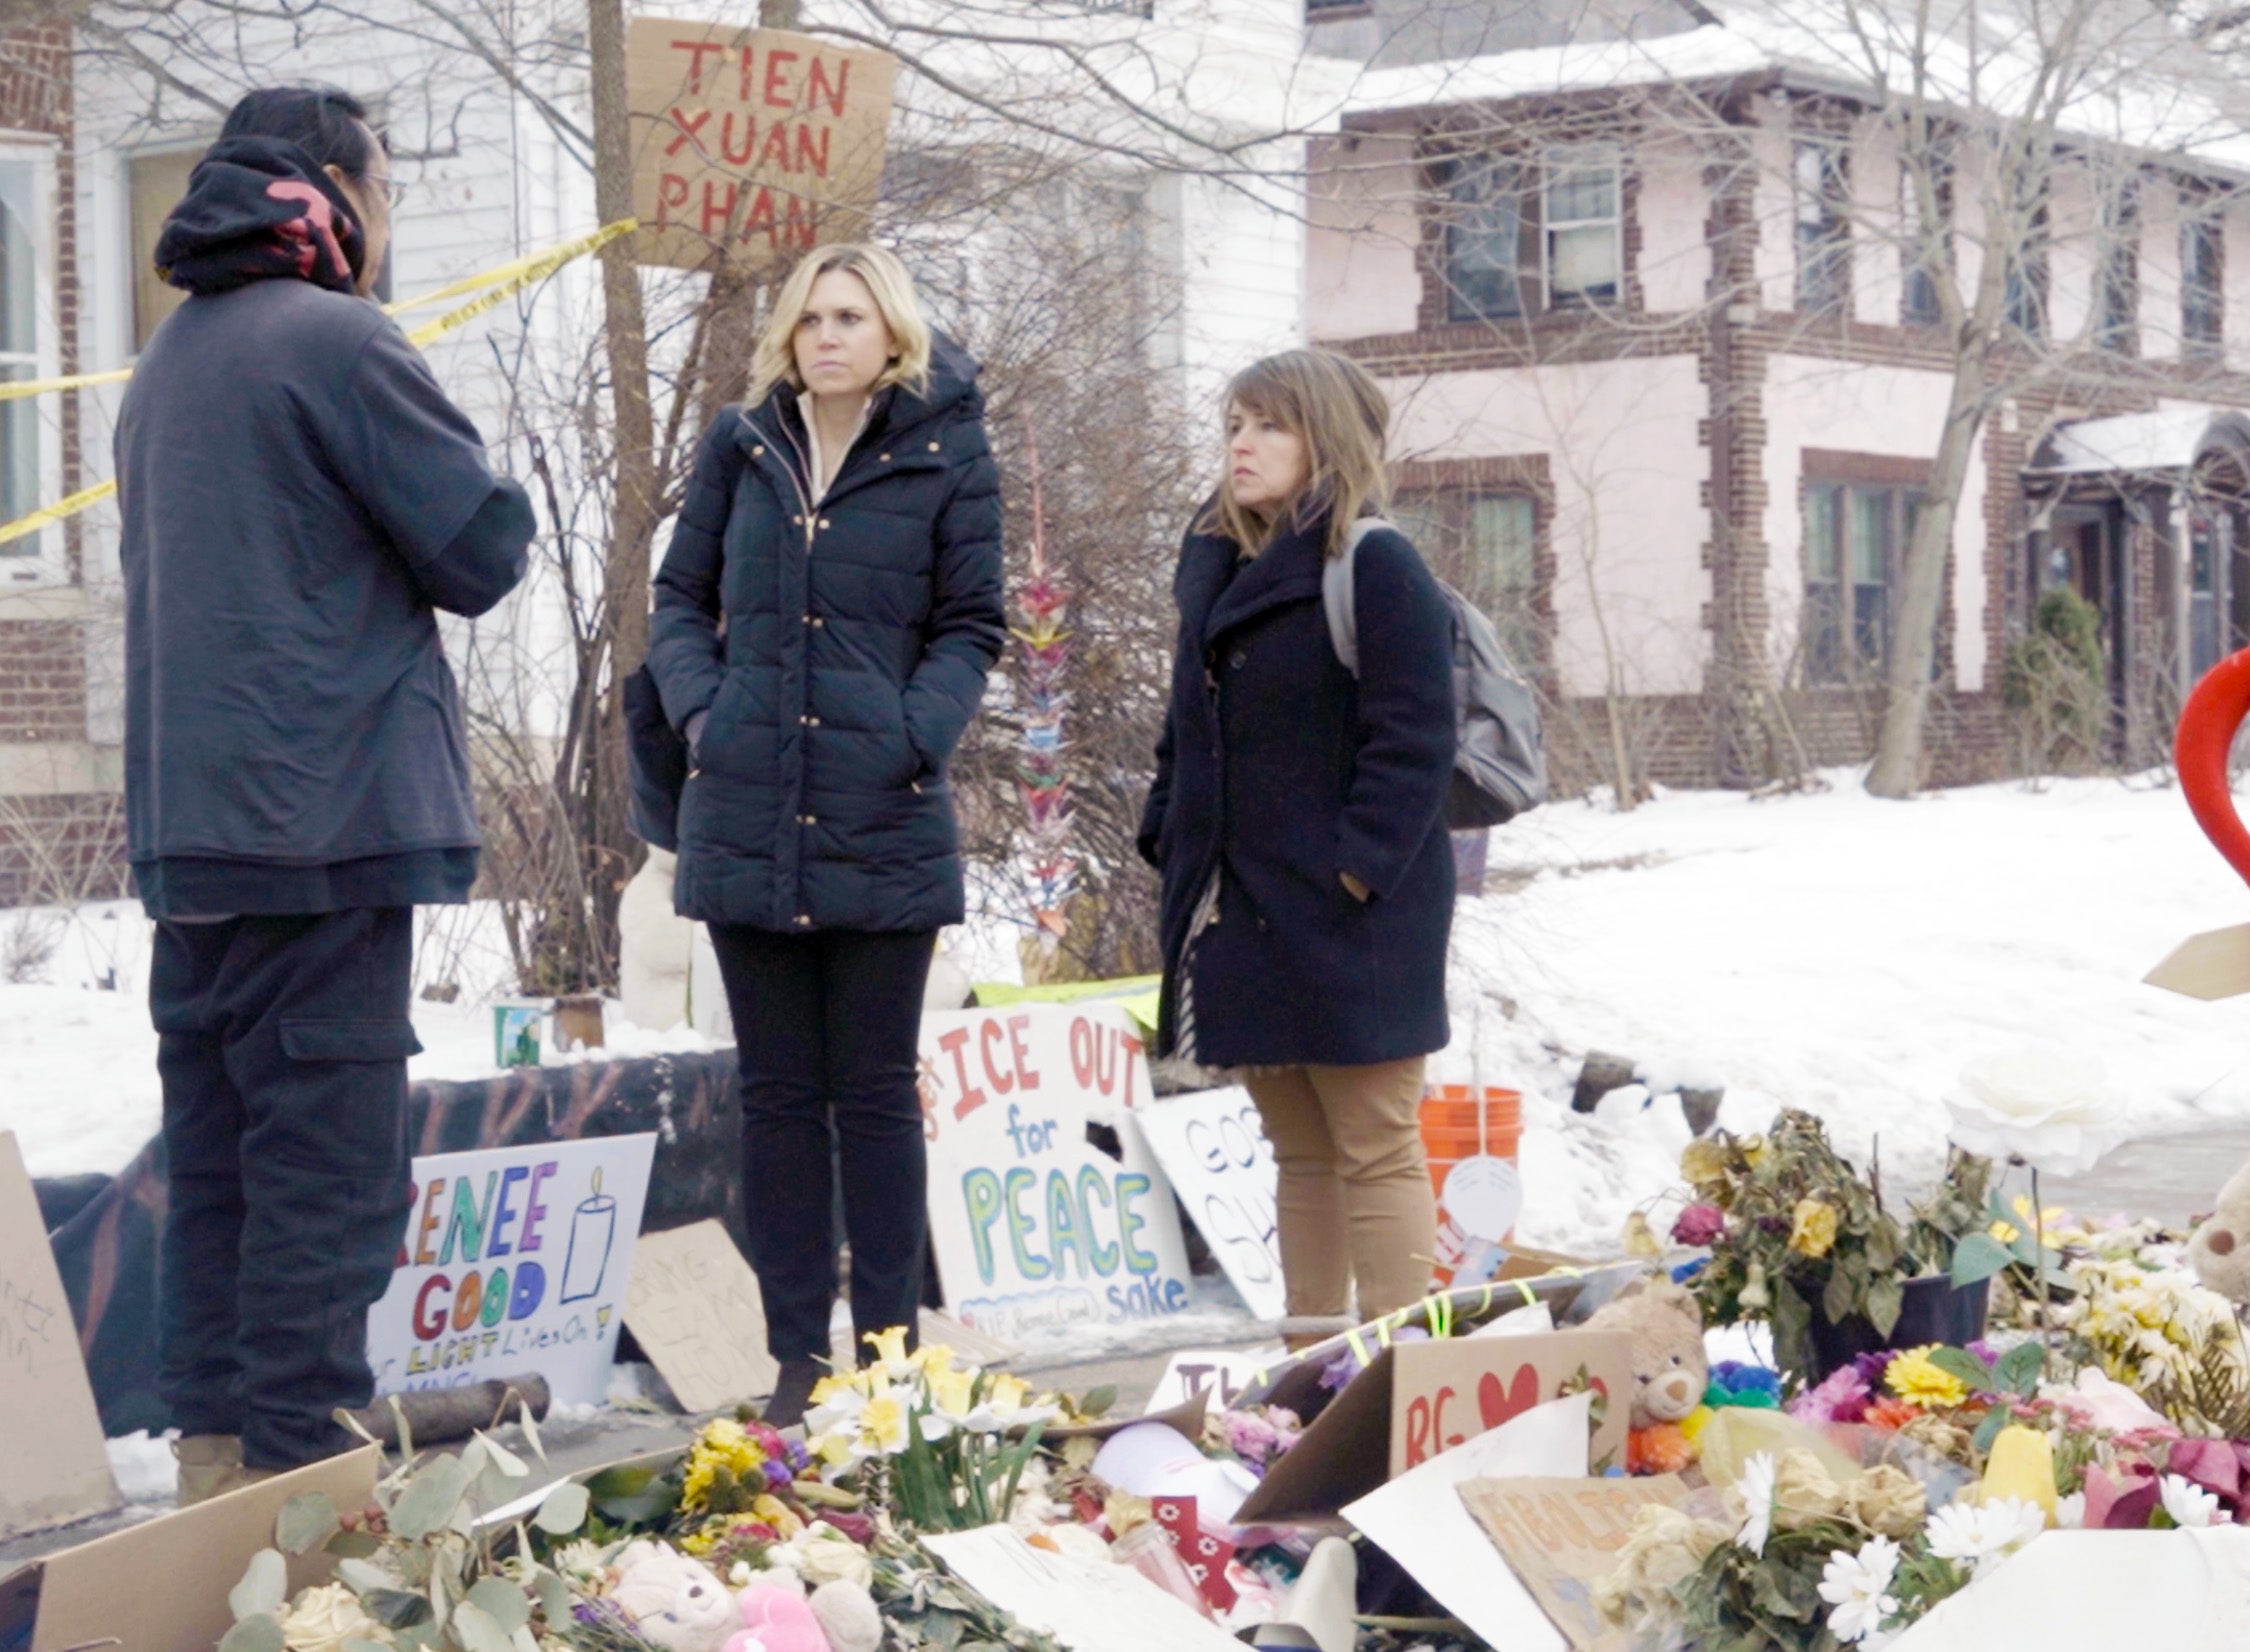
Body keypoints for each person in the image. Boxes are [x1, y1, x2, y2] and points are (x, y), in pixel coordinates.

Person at [117, 84, 534, 1501]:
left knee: (221, 1167)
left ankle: (215, 1470)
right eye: (391, 187)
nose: (394, 217)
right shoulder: (344, 341)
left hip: (193, 835)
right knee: (324, 1178)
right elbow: (479, 551)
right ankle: (301, 1494)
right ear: (339, 188)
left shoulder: (166, 358)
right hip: (329, 824)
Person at [647, 243, 1003, 1425]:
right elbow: (677, 600)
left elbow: (971, 622)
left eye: (849, 316)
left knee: (876, 1096)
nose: (826, 336)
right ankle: (798, 1358)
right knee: (778, 1099)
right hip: (749, 811)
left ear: (890, 330)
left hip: (882, 814)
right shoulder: (741, 445)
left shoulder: (947, 449)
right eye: (810, 318)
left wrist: (915, 732)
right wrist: (705, 713)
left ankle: (890, 1358)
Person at [1138, 348, 1456, 1339]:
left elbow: (1415, 736)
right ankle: (1314, 1369)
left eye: (1270, 424)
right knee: (1300, 1151)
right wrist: (1168, 834)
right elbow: (1184, 729)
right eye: (1235, 421)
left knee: (1375, 1143)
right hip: (1248, 907)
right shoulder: (1222, 571)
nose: (1241, 442)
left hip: (1355, 913)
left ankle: (1406, 1382)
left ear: (1328, 438)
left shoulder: (1373, 561)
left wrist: (1355, 869)